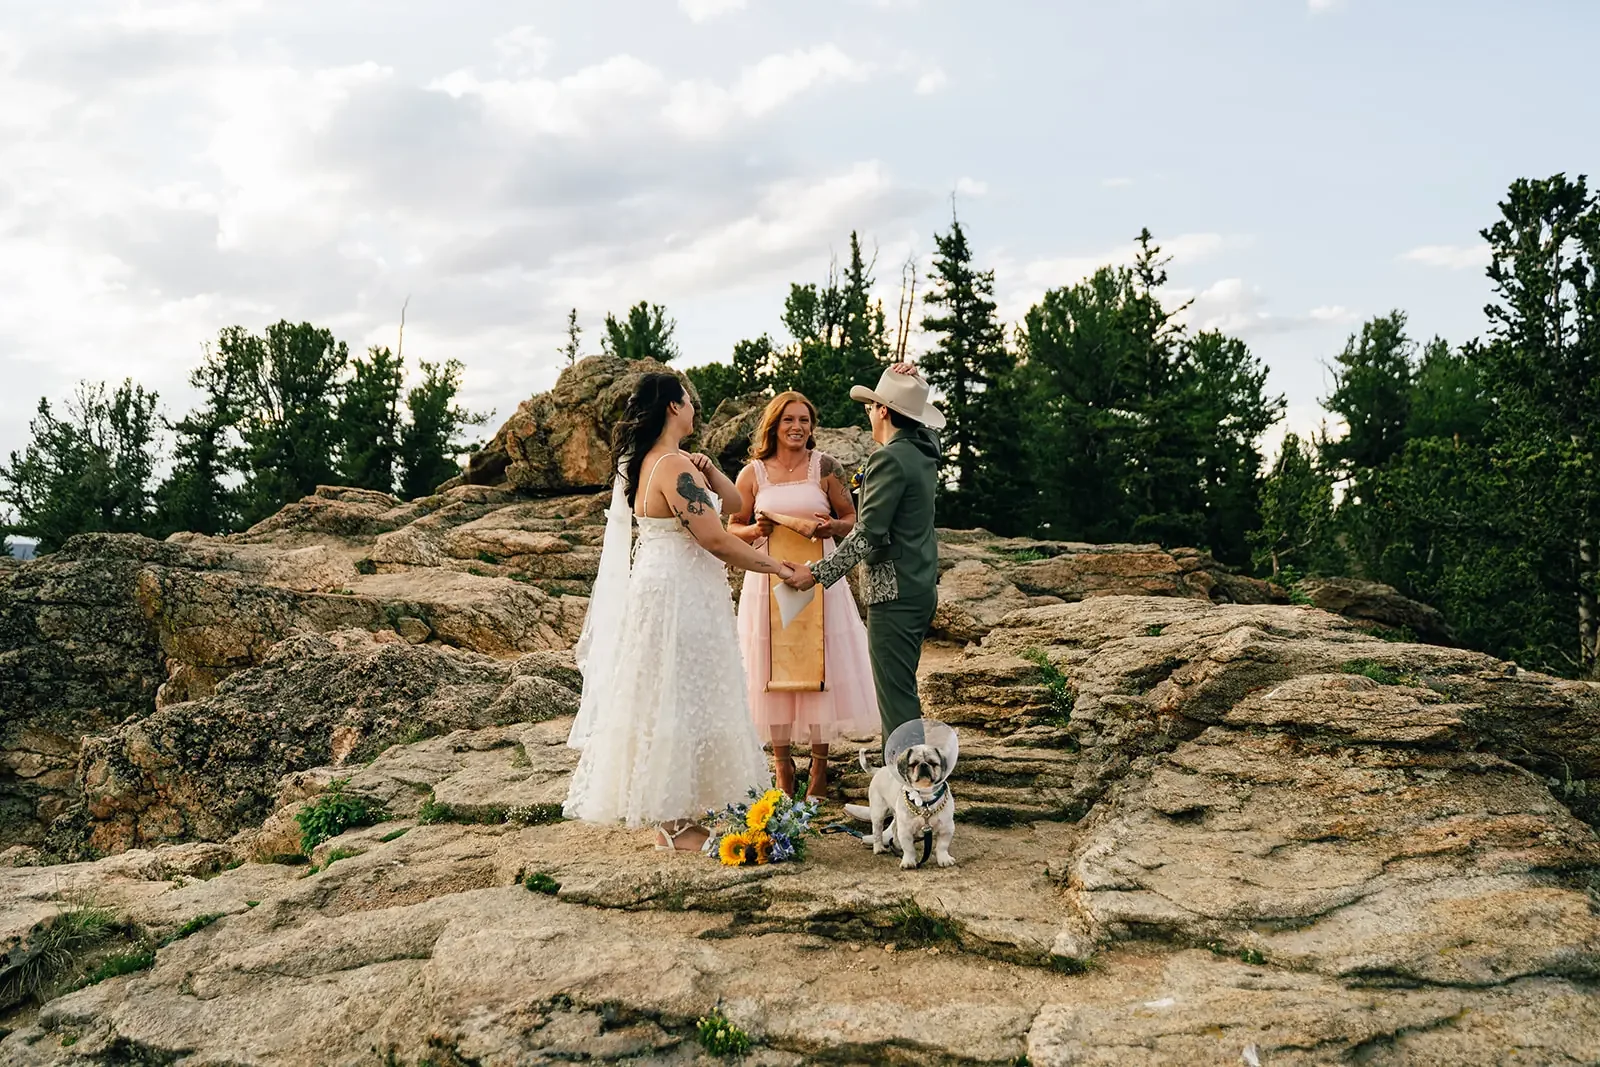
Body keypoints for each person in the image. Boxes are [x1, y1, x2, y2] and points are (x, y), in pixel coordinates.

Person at [563, 372, 796, 852]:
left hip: (675, 586)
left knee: (685, 691)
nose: (694, 407)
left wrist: (709, 471)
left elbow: (735, 506)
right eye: (689, 400)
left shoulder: (666, 463)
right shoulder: (670, 467)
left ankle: (682, 810)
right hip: (677, 593)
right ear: (673, 407)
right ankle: (672, 822)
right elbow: (715, 538)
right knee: (676, 693)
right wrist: (777, 567)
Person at [728, 391, 879, 800]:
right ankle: (782, 767)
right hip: (767, 582)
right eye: (789, 420)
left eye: (805, 421)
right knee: (769, 666)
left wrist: (832, 527)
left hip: (819, 581)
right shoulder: (752, 474)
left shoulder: (825, 467)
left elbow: (854, 521)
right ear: (773, 425)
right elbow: (731, 528)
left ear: (812, 427)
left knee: (819, 661)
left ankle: (819, 768)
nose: (797, 427)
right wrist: (755, 532)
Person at [784, 364, 943, 742]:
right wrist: (909, 385)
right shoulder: (922, 452)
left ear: (884, 411)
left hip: (895, 593)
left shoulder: (889, 459)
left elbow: (868, 534)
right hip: (919, 587)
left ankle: (910, 793)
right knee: (900, 689)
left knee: (896, 697)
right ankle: (899, 785)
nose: (868, 412)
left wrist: (816, 575)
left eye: (872, 406)